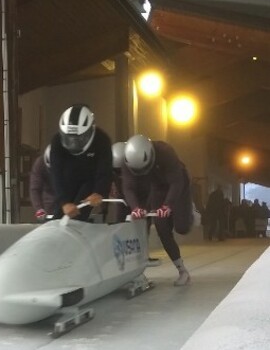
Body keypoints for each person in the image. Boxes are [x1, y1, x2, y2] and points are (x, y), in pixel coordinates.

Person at [121, 134, 193, 286]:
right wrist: (135, 207)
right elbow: (128, 187)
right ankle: (182, 271)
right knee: (162, 229)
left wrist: (168, 205)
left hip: (178, 184)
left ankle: (189, 211)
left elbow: (176, 182)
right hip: (157, 188)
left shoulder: (165, 151)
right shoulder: (127, 159)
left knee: (182, 227)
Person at [50, 104, 112, 221]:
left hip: (90, 180)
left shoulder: (102, 140)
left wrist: (99, 192)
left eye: (78, 139)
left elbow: (105, 171)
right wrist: (64, 202)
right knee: (59, 215)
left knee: (78, 213)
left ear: (90, 131)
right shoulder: (57, 141)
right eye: (69, 139)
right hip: (68, 179)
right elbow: (56, 174)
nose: (73, 144)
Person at [29, 145, 55, 222]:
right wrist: (39, 209)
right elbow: (35, 189)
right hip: (49, 206)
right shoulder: (40, 163)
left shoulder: (70, 163)